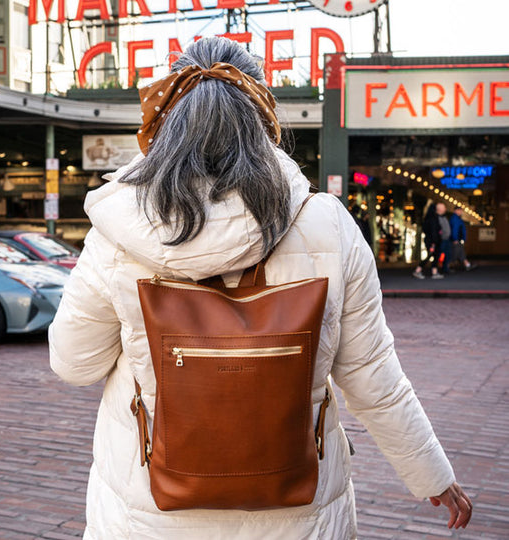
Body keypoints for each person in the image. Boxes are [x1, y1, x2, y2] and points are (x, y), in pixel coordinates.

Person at [49, 37, 471, 540]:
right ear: (264, 114)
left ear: (167, 118)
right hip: (299, 519)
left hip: (147, 516)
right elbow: (371, 376)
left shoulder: (119, 232)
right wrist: (433, 476)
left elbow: (74, 365)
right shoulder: (327, 225)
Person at [413, 202, 444, 279]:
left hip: (429, 240)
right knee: (431, 256)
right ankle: (418, 270)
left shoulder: (428, 218)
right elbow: (434, 231)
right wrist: (434, 242)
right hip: (433, 241)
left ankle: (434, 272)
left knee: (433, 256)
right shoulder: (433, 219)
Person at [437, 203, 452, 275]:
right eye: (444, 208)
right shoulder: (437, 218)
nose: (445, 209)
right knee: (440, 254)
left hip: (446, 239)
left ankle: (445, 268)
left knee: (447, 254)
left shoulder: (444, 217)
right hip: (442, 239)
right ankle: (438, 268)